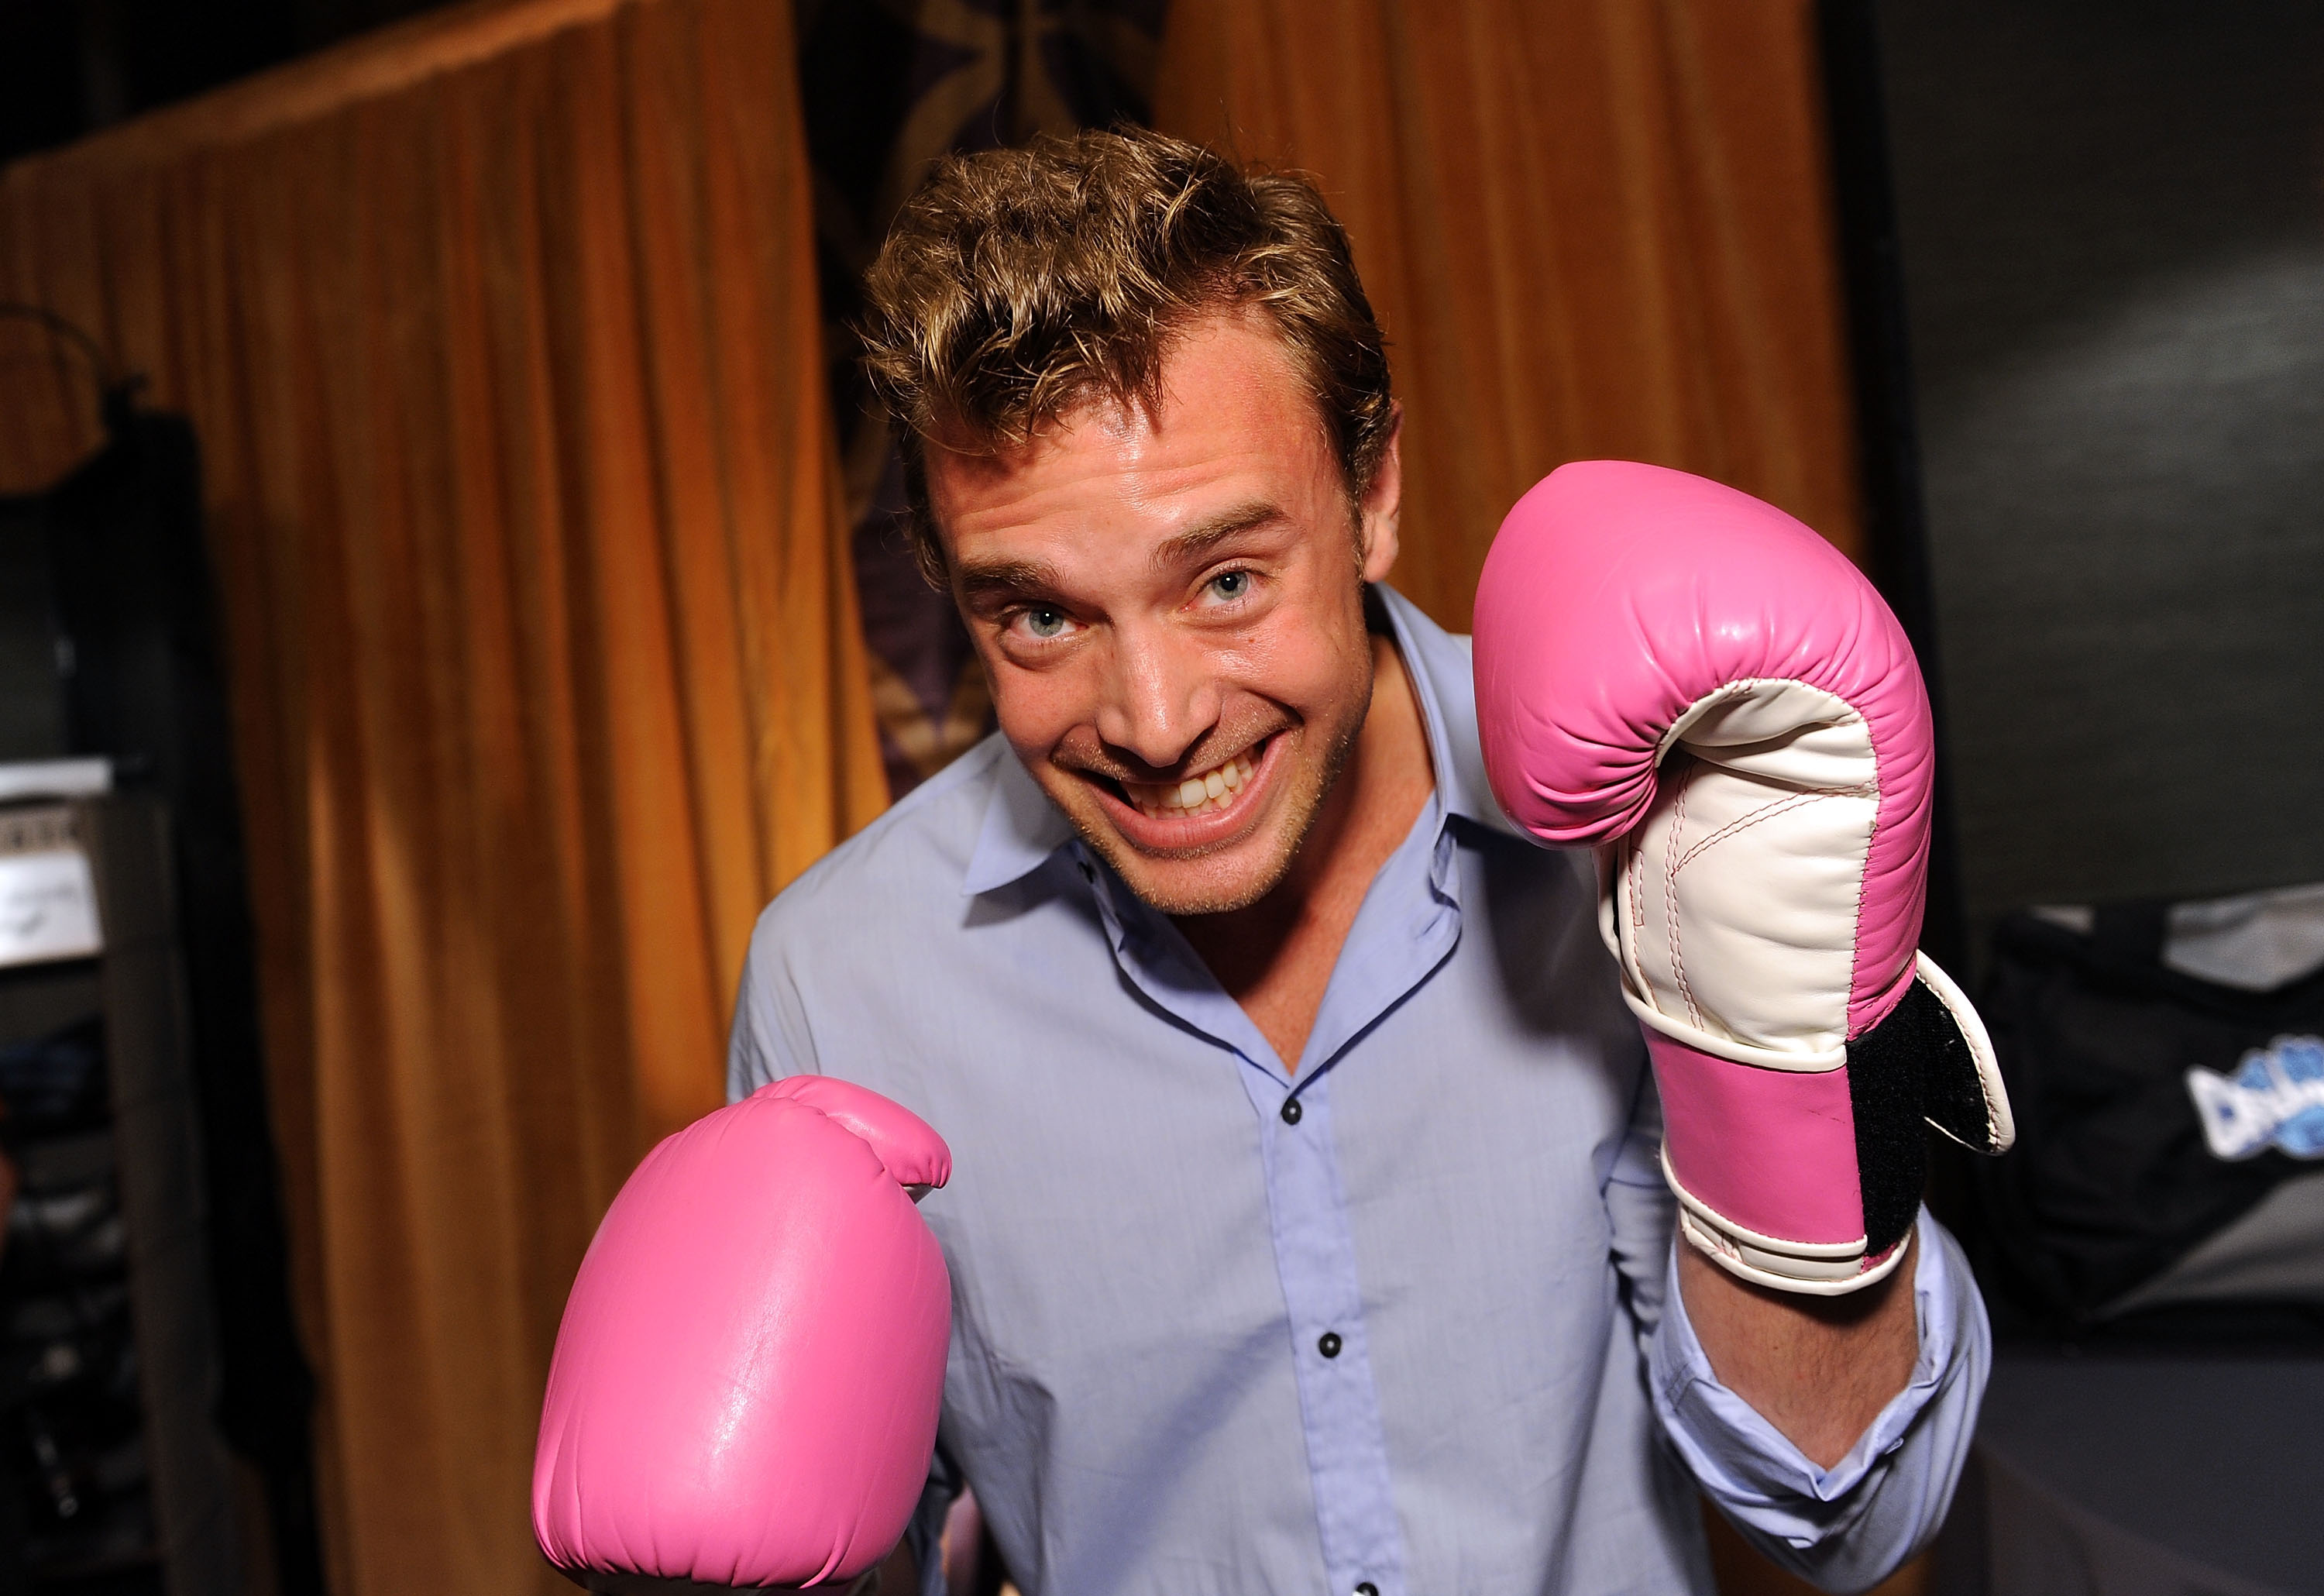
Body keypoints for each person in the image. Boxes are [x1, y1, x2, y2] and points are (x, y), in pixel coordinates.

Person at [552, 127, 1994, 1596]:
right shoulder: (847, 980)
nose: (1159, 723)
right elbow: (848, 1528)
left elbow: (1854, 1516)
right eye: (1041, 618)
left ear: (1372, 496)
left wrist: (1773, 1054)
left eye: (1228, 580)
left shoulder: (1643, 844)